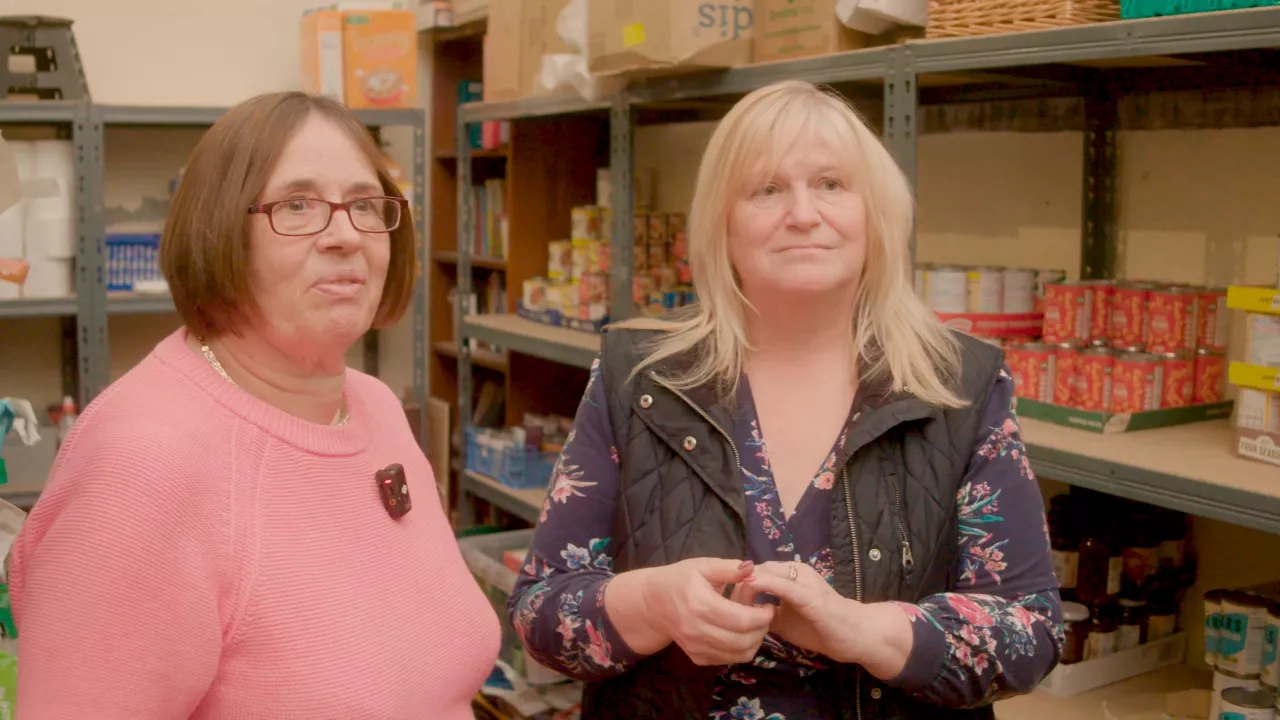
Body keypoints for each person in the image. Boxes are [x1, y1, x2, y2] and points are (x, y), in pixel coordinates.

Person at [507, 80, 1064, 719]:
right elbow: (537, 611)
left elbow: (1031, 629)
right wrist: (656, 603)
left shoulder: (960, 387)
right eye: (767, 190)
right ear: (723, 223)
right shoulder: (638, 381)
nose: (803, 213)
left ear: (875, 214)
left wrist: (858, 630)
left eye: (831, 184)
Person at [9, 92, 500, 719]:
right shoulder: (142, 466)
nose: (346, 235)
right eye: (298, 205)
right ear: (220, 231)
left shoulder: (373, 407)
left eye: (364, 205)